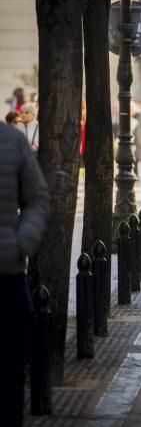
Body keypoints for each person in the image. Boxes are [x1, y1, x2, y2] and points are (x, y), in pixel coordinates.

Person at [0, 121, 49, 426]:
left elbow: (36, 199)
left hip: (5, 274)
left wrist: (21, 244)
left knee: (9, 369)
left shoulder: (11, 142)